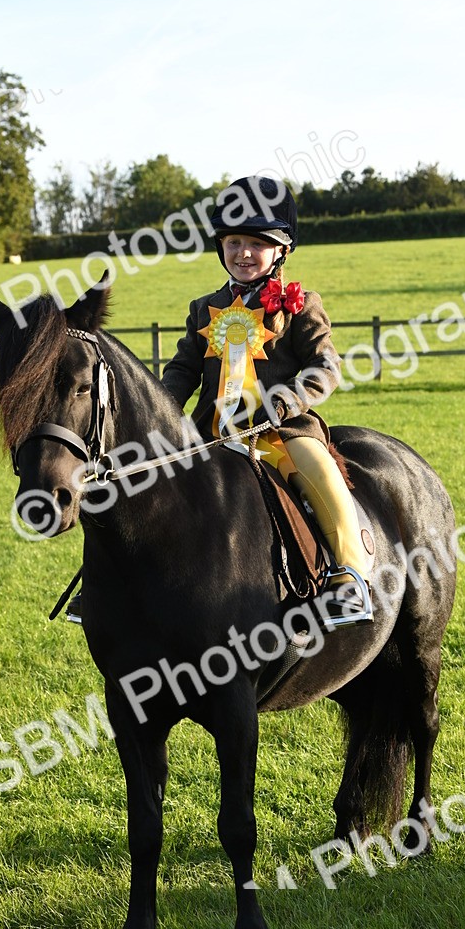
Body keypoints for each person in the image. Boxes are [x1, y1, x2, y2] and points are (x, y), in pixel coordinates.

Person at [159, 175, 372, 627]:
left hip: (279, 430)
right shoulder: (204, 308)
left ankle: (349, 577)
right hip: (209, 434)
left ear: (280, 251)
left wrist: (286, 401)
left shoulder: (299, 305)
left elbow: (325, 366)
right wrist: (160, 409)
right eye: (233, 242)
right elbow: (182, 370)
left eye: (256, 243)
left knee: (321, 475)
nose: (243, 253)